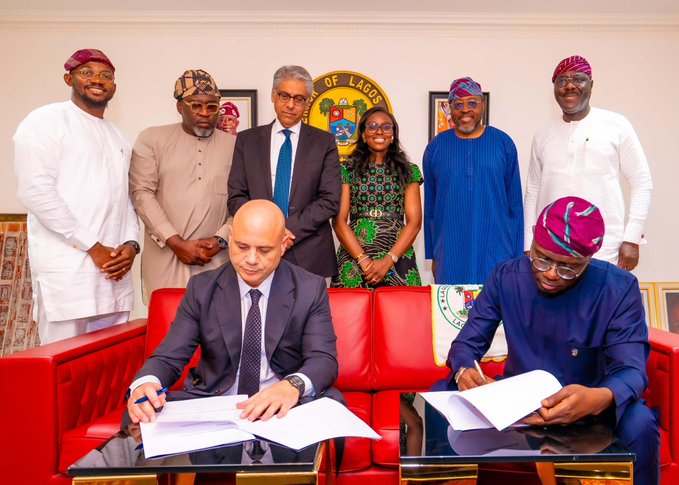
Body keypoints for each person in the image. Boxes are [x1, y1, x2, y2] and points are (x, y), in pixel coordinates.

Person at [444, 196, 659, 484]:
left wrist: (598, 398)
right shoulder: (506, 277)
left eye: (568, 267)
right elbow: (466, 345)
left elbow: (632, 370)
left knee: (641, 423)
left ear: (588, 260)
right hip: (521, 409)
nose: (550, 274)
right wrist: (464, 371)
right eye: (541, 258)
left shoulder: (618, 289)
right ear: (532, 238)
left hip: (590, 408)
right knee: (449, 400)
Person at [126, 200, 341, 425]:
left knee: (332, 416)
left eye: (264, 250)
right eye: (241, 246)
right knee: (136, 417)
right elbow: (169, 357)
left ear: (284, 244)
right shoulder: (202, 289)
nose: (251, 259)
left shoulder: (309, 288)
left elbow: (323, 359)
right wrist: (146, 383)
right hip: (216, 403)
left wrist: (292, 386)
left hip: (285, 407)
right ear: (230, 236)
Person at [13, 48, 139, 344]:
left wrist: (132, 245)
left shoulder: (118, 135)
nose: (97, 79)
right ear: (69, 78)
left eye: (106, 75)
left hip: (114, 273)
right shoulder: (45, 121)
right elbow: (35, 192)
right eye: (87, 72)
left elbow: (127, 198)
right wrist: (93, 247)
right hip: (69, 273)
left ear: (114, 87)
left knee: (110, 361)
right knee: (61, 365)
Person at [524, 55, 653, 271]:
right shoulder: (542, 135)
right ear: (554, 88)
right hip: (551, 248)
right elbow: (533, 190)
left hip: (604, 246)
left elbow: (642, 181)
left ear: (591, 85)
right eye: (562, 80)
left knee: (603, 303)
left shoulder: (616, 125)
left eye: (578, 79)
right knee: (554, 305)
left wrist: (632, 237)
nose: (570, 86)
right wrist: (529, 239)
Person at [129, 69, 234, 304]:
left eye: (212, 106)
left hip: (217, 260)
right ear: (180, 107)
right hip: (166, 256)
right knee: (168, 331)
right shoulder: (152, 139)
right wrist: (175, 241)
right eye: (196, 105)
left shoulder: (236, 145)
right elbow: (142, 194)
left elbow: (243, 200)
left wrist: (220, 239)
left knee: (218, 334)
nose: (204, 113)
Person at [227, 65, 341, 280]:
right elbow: (236, 196)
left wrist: (282, 230)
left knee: (309, 315)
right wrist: (265, 230)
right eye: (284, 96)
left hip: (310, 253)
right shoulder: (247, 140)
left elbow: (330, 199)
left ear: (307, 103)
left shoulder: (323, 142)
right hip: (256, 253)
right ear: (273, 95)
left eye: (299, 99)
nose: (291, 105)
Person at [423, 77, 523, 285]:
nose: (465, 110)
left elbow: (515, 205)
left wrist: (517, 257)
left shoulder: (503, 144)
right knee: (451, 314)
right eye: (458, 105)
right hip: (450, 253)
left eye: (472, 103)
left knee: (496, 313)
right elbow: (430, 207)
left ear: (482, 106)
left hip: (496, 250)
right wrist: (433, 254)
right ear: (449, 108)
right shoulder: (436, 148)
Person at [331, 107, 423, 288]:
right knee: (351, 314)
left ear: (393, 134)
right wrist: (363, 260)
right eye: (372, 126)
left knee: (400, 314)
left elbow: (415, 222)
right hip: (355, 256)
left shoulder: (409, 171)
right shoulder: (346, 169)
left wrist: (389, 260)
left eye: (386, 127)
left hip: (398, 255)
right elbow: (339, 221)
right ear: (364, 135)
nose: (379, 131)